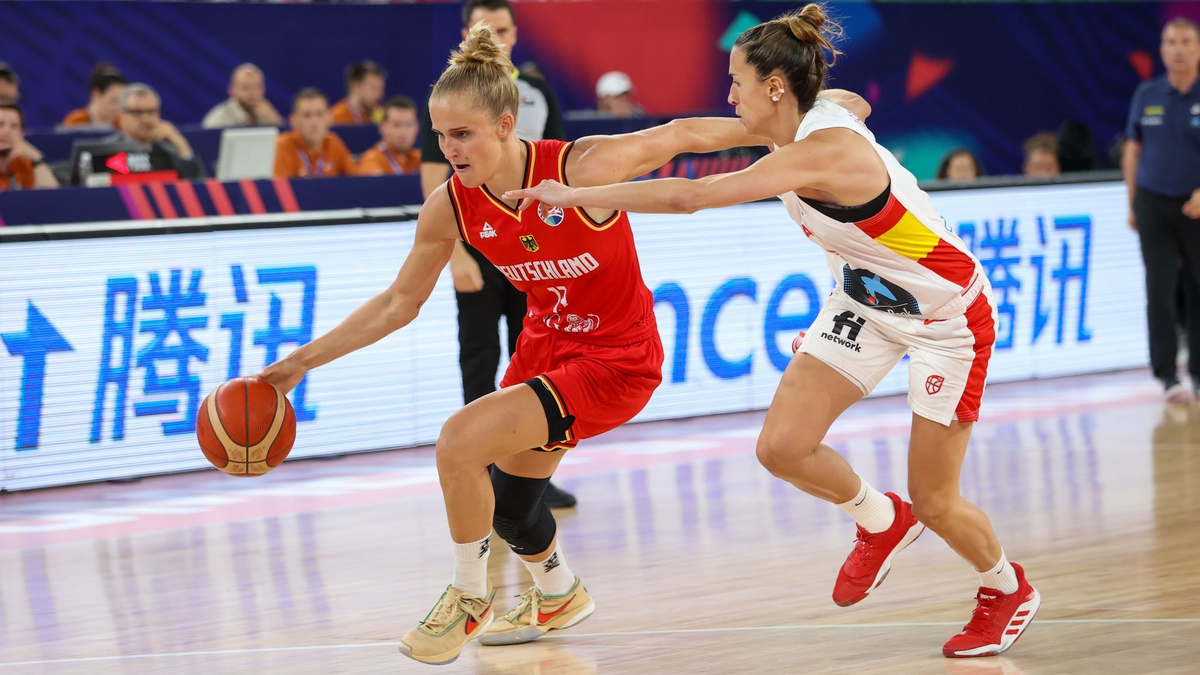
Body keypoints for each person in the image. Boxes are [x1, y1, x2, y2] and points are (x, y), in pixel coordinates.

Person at [508, 5, 1040, 659]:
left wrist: (572, 196)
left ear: (776, 88)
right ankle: (881, 521)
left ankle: (1006, 587)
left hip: (946, 318)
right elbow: (707, 129)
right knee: (783, 447)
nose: (730, 95)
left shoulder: (822, 151)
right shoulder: (803, 117)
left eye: (737, 82)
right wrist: (602, 154)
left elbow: (690, 197)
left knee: (935, 498)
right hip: (865, 302)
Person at [259, 24, 798, 666]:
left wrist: (788, 124)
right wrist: (297, 364)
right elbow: (399, 303)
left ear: (506, 125)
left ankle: (469, 596)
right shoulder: (450, 206)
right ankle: (559, 593)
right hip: (545, 351)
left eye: (463, 134)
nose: (449, 149)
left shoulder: (582, 166)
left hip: (617, 360)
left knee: (458, 442)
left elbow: (681, 134)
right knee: (511, 510)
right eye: (441, 135)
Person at [420, 0, 574, 509]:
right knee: (480, 356)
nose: (497, 38)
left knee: (534, 356)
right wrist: (457, 256)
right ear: (466, 34)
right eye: (486, 30)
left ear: (515, 32)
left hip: (534, 249)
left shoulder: (537, 92)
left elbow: (558, 168)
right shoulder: (451, 99)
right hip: (478, 243)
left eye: (503, 29)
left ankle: (529, 472)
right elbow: (434, 183)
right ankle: (480, 467)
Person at [1123, 17, 1200, 402]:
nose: (1178, 49)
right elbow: (1132, 149)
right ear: (1162, 50)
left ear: (1198, 49)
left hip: (1196, 204)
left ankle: (1198, 371)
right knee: (1159, 288)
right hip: (1153, 201)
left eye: (1186, 41)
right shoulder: (1147, 93)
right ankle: (1168, 374)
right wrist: (1133, 201)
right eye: (1171, 42)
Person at [104, 83, 205, 180]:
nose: (145, 119)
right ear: (121, 116)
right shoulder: (104, 153)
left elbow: (195, 187)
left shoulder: (171, 154)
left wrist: (181, 145)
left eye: (151, 112)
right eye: (137, 112)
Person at [273, 88, 357, 179]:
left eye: (319, 114)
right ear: (293, 121)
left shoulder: (333, 143)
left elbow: (356, 181)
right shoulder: (282, 145)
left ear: (329, 118)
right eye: (307, 115)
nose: (314, 122)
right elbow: (280, 185)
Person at [201, 63, 283, 129]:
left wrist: (275, 121)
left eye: (256, 87)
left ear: (264, 89)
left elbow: (282, 137)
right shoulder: (218, 119)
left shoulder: (267, 113)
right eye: (245, 88)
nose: (252, 93)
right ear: (231, 91)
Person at [357, 96, 422, 176]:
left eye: (409, 125)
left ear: (417, 127)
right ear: (382, 127)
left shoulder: (421, 159)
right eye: (396, 125)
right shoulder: (371, 161)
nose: (403, 132)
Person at [0, 103, 58, 190]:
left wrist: (37, 159)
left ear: (22, 134)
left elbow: (52, 196)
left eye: (14, 126)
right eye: (0, 124)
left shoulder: (26, 167)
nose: (6, 131)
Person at [62, 63, 126, 130]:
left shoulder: (122, 125)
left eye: (121, 102)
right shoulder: (75, 122)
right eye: (113, 101)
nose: (117, 108)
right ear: (96, 94)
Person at [331, 61, 387, 125]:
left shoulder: (381, 117)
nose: (380, 95)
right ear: (355, 87)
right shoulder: (335, 119)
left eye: (380, 88)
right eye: (373, 88)